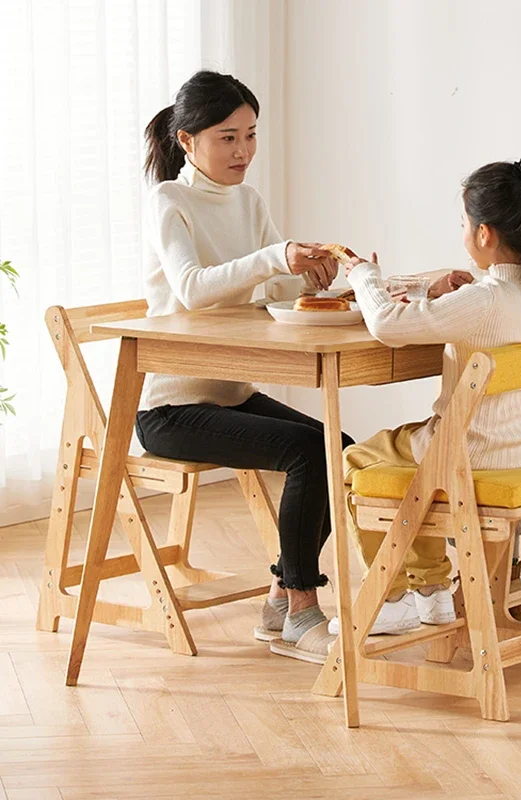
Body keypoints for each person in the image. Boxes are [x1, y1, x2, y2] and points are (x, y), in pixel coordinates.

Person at [136, 70, 352, 663]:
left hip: (230, 396)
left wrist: (313, 269)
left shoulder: (248, 200)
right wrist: (274, 257)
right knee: (308, 453)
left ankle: (282, 595)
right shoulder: (169, 201)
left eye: (251, 135)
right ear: (187, 141)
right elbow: (193, 289)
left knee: (343, 448)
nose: (243, 151)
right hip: (173, 408)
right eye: (227, 137)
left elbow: (271, 283)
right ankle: (302, 610)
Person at [329, 159, 521, 635]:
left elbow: (387, 326)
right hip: (519, 449)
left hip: (468, 453)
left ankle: (393, 596)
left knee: (356, 461)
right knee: (406, 458)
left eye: (463, 224)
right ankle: (432, 592)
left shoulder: (484, 301)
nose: (462, 233)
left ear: (484, 234)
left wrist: (363, 276)